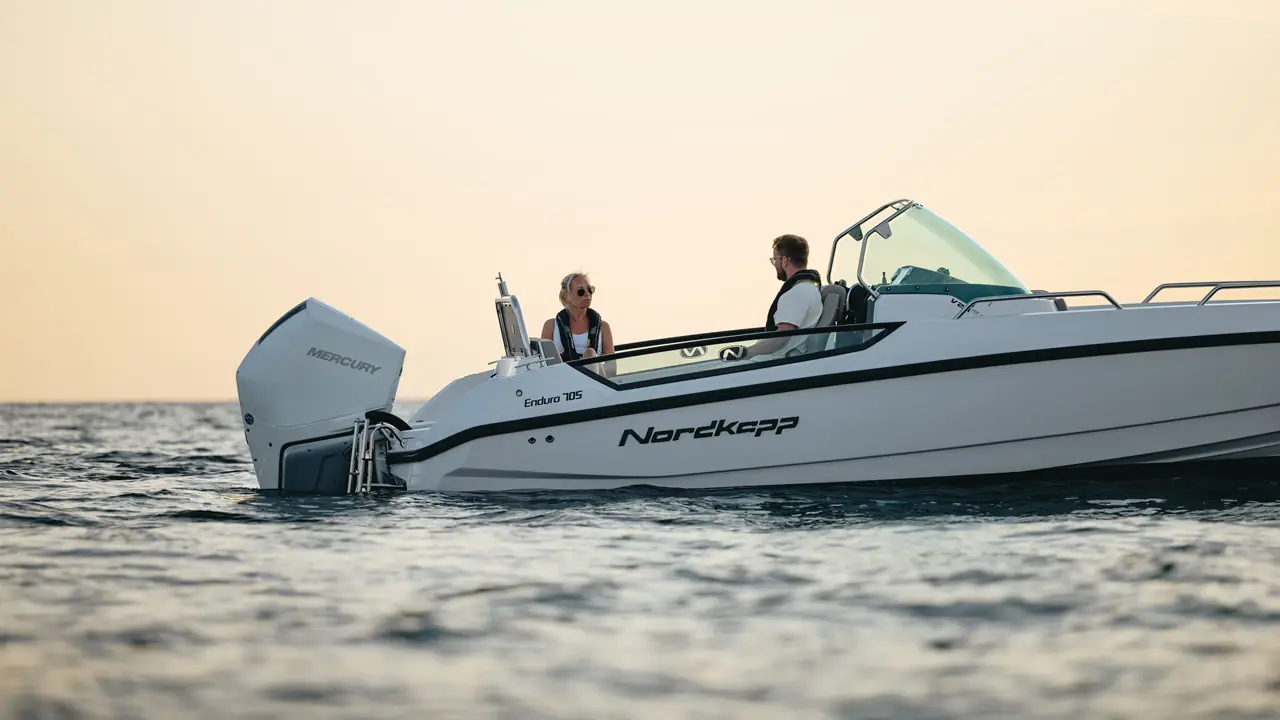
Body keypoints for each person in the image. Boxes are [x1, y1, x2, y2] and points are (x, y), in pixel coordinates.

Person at [743, 234, 824, 360]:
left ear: (785, 260)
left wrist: (746, 352)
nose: (774, 264)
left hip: (771, 363)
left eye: (774, 260)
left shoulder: (797, 293)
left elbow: (781, 338)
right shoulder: (810, 288)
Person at [540, 272, 615, 363]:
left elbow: (611, 367)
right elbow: (544, 364)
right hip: (563, 371)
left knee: (590, 353)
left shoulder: (603, 327)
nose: (587, 294)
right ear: (567, 296)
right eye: (581, 291)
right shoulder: (551, 326)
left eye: (590, 289)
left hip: (593, 372)